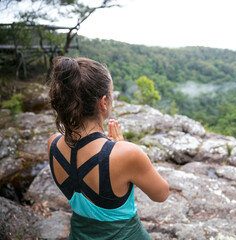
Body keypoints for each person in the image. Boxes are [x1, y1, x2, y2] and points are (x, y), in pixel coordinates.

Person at [47, 57, 169, 239]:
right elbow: (161, 194)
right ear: (103, 102)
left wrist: (116, 148)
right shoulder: (126, 154)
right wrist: (120, 147)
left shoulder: (53, 144)